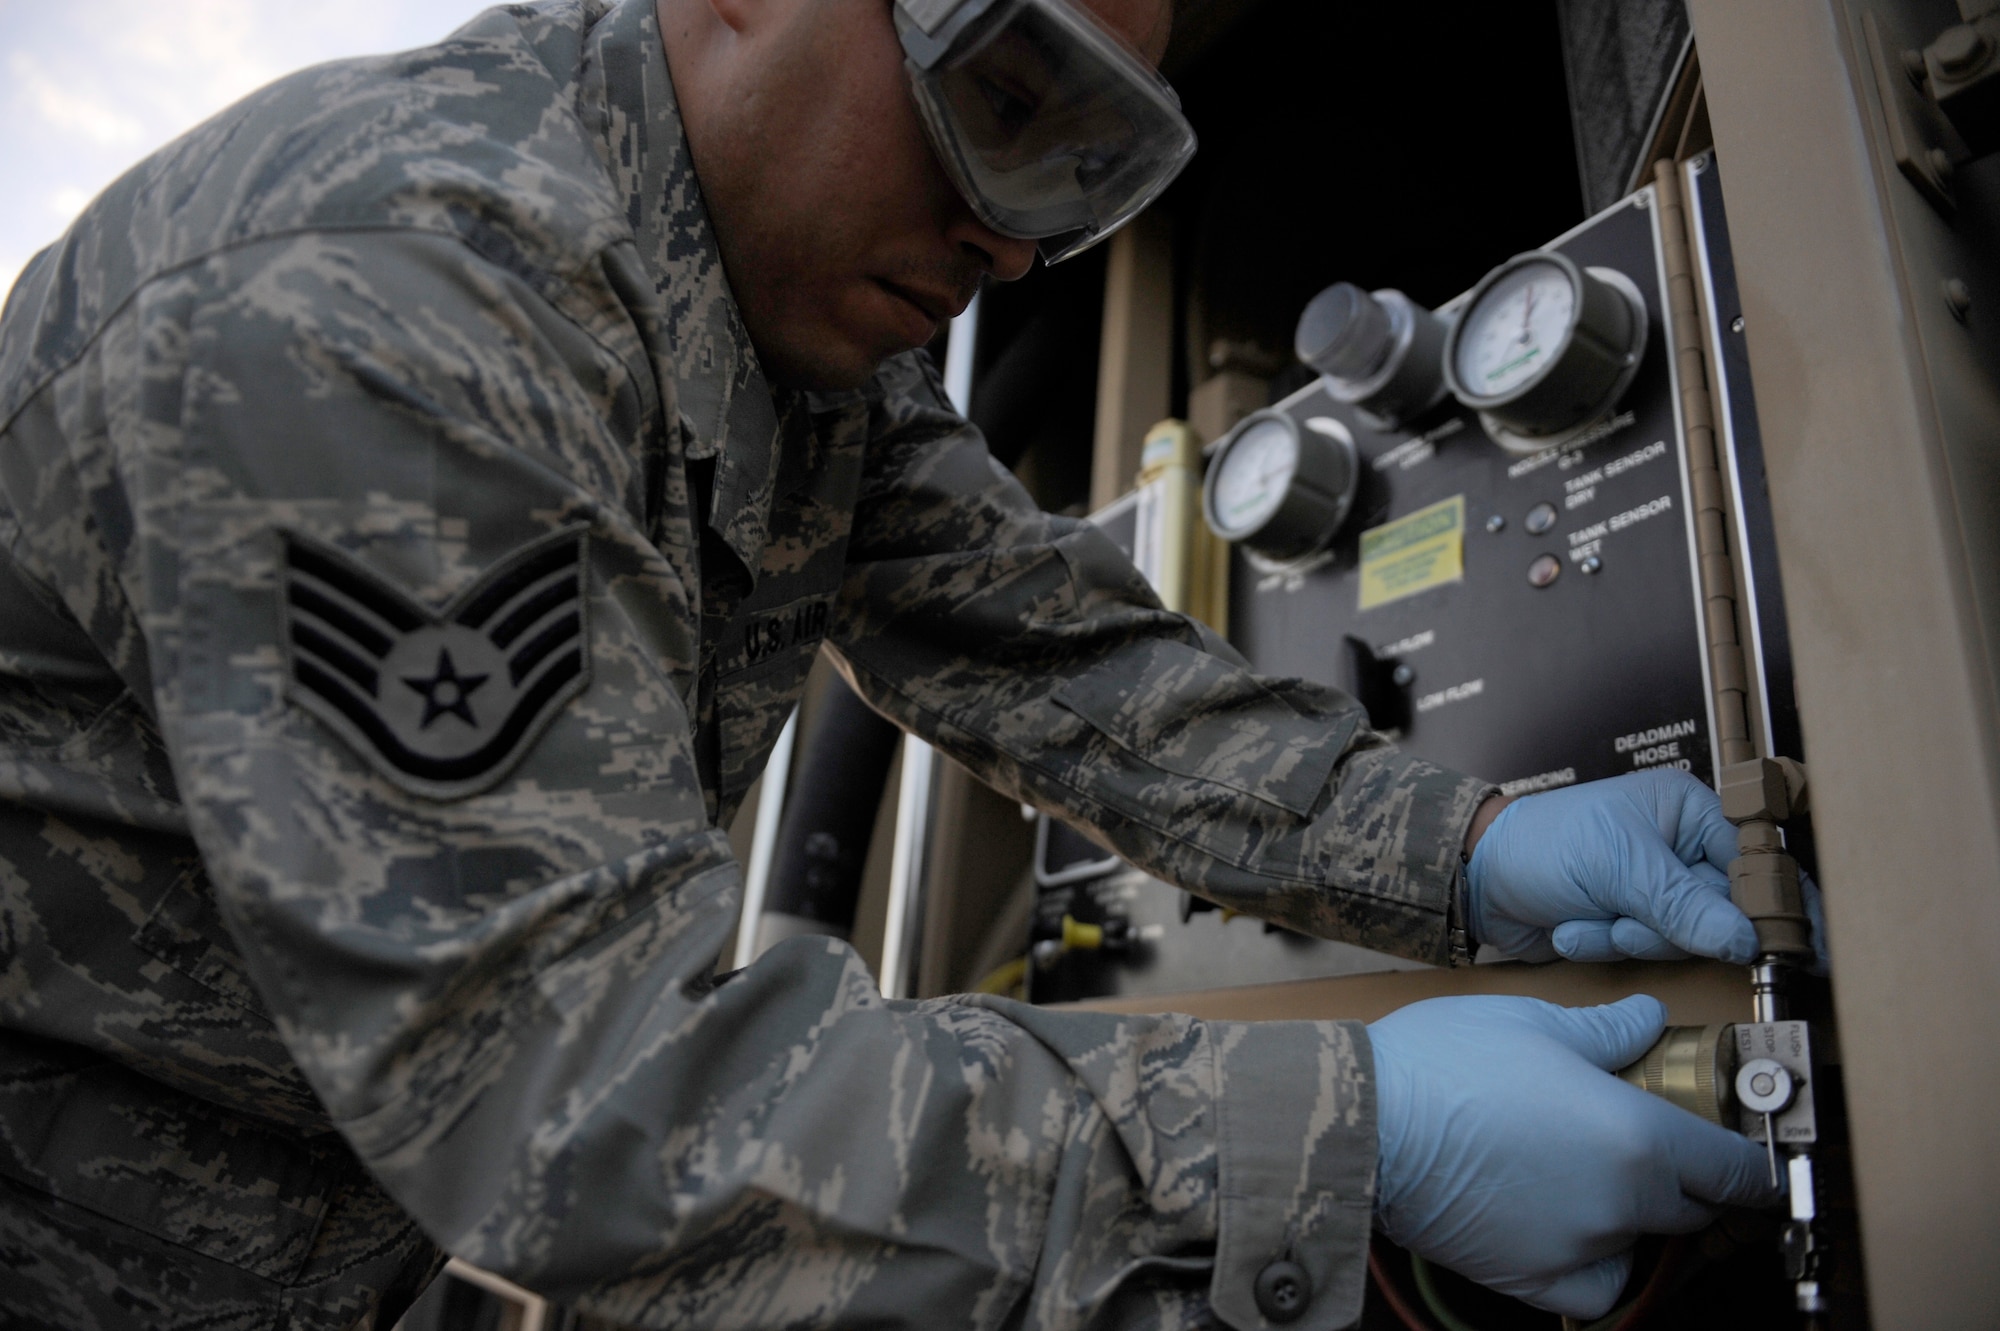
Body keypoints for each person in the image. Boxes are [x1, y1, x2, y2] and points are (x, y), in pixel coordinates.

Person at [0, 0, 1794, 1326]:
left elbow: (1062, 662)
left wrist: (1463, 846)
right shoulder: (388, 299)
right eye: (1009, 102)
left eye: (1094, 168)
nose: (1017, 236)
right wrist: (1348, 1132)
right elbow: (597, 1104)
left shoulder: (799, 339)